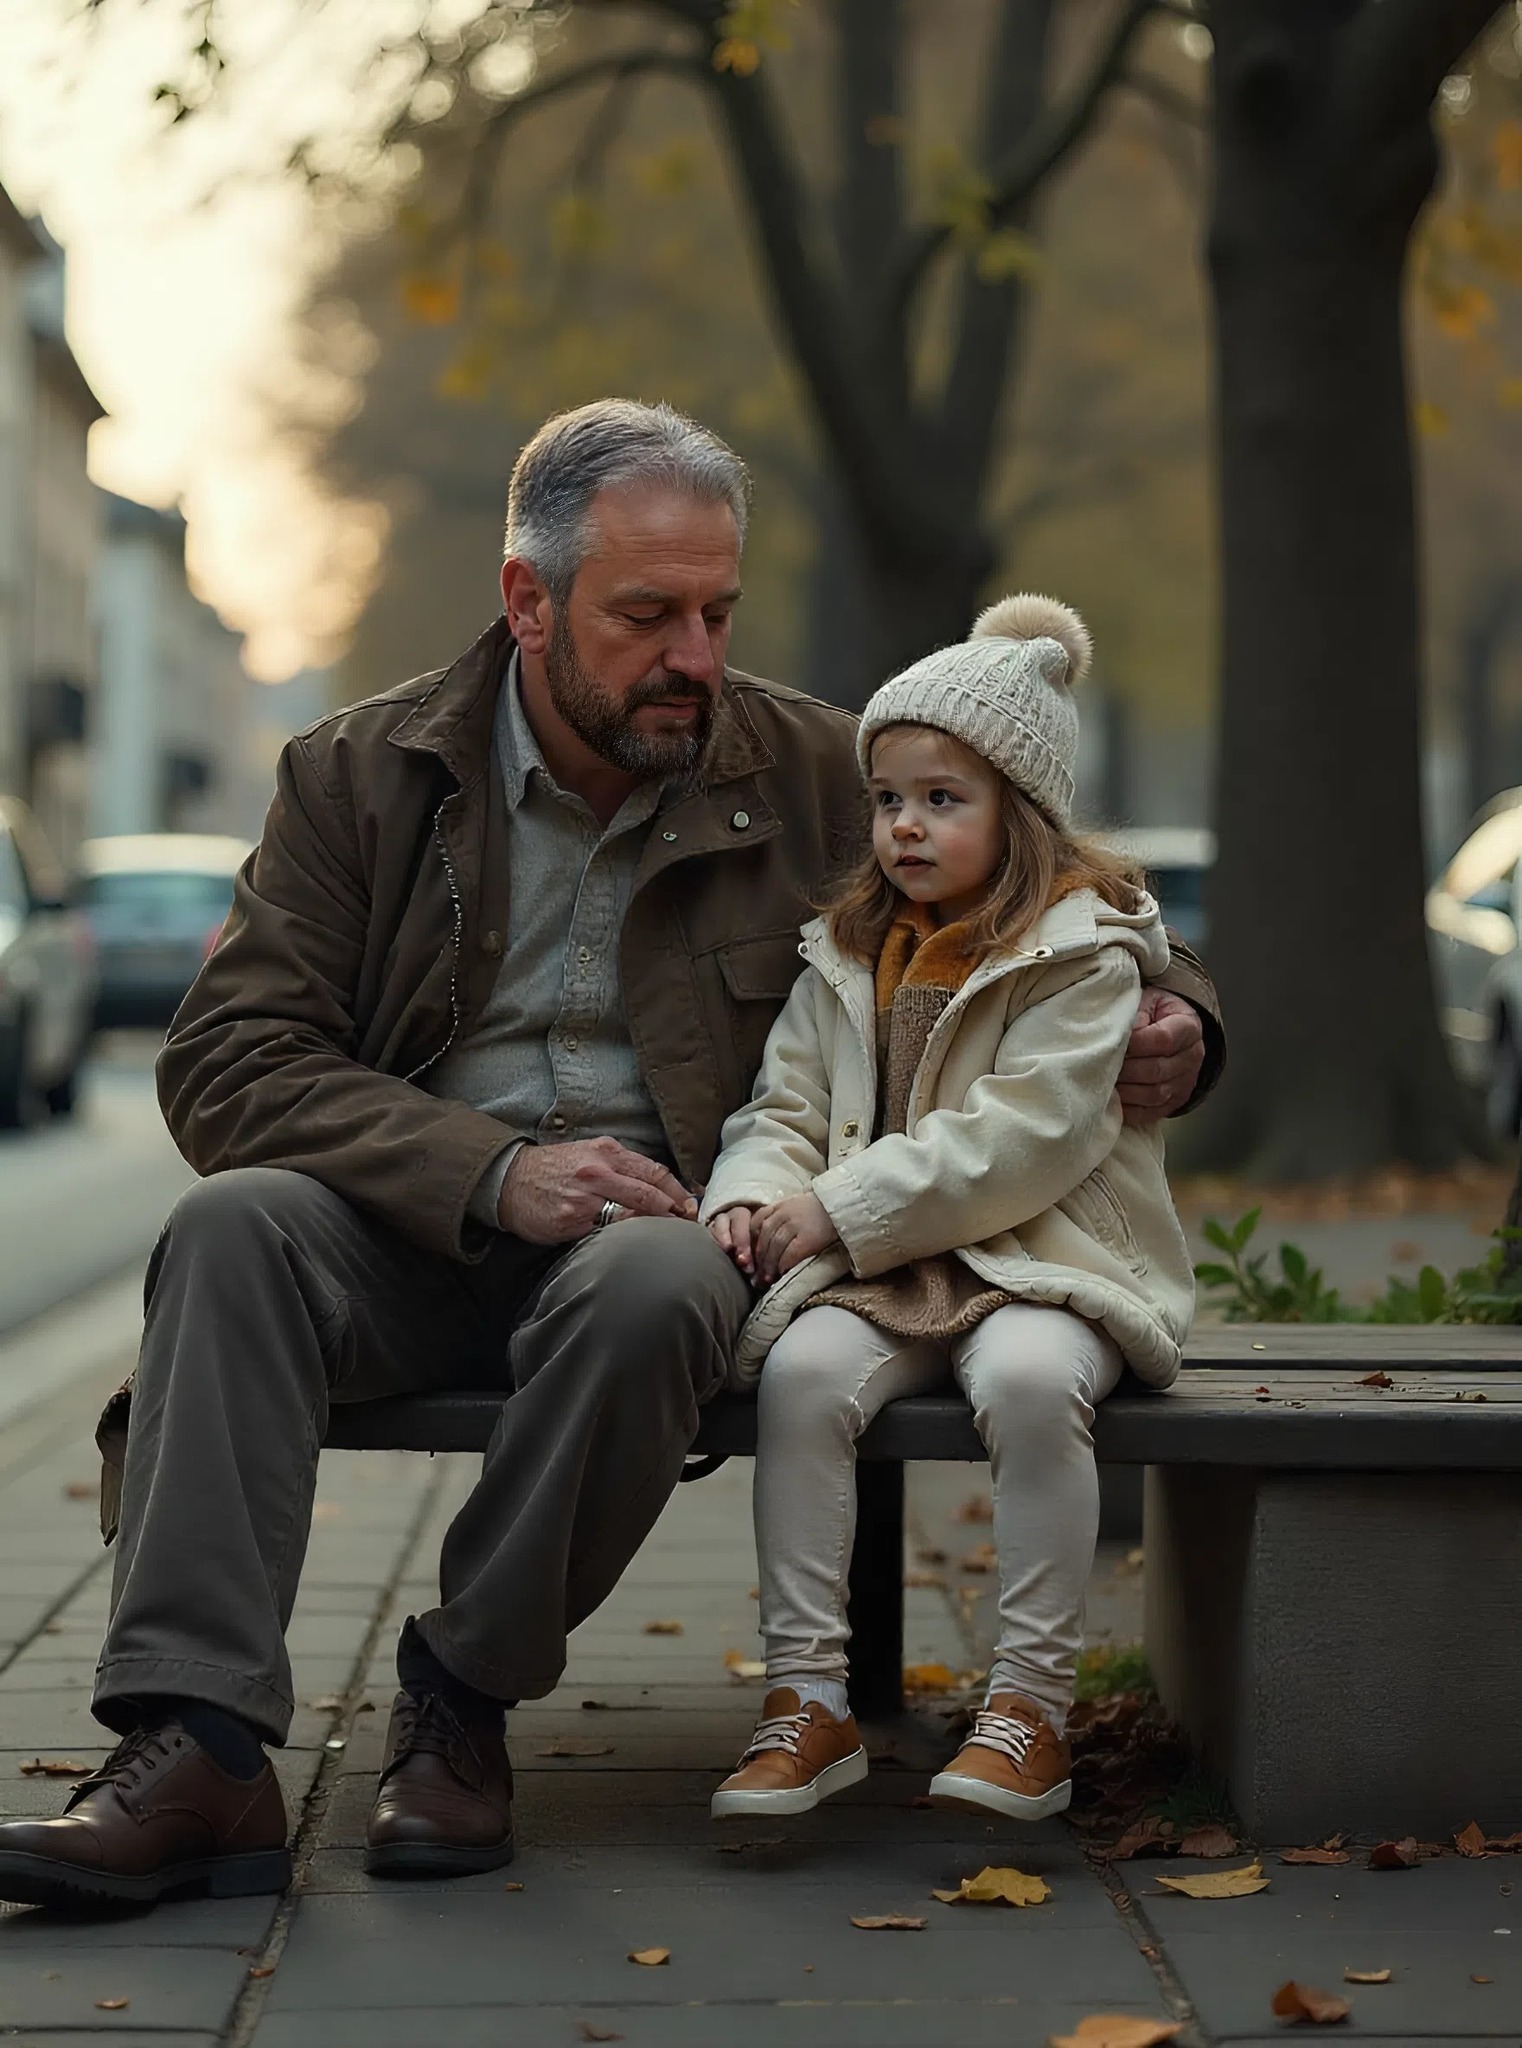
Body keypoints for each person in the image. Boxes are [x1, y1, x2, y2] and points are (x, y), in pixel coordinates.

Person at [0, 404, 1216, 1913]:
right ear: (528, 602)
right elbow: (226, 1062)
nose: (692, 655)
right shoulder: (356, 774)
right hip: (398, 1232)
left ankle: (459, 1697)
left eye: (715, 611)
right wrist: (487, 1172)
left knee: (651, 1274)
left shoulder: (825, 770)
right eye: (646, 616)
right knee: (233, 1227)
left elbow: (1063, 888)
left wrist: (1180, 1019)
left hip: (671, 1252)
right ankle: (196, 1750)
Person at [703, 594, 1194, 1824]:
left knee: (1032, 1383)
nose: (904, 826)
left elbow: (1024, 1138)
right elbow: (782, 1105)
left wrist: (834, 1204)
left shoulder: (1082, 958)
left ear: (1017, 812)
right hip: (890, 1269)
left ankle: (1027, 1707)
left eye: (941, 798)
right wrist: (756, 1192)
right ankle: (807, 1700)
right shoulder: (844, 953)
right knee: (804, 1373)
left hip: (1042, 1257)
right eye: (887, 800)